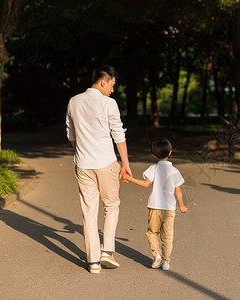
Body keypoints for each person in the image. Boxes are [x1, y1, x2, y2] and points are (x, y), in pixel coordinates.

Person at [65, 65, 132, 274]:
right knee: (111, 206)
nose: (112, 90)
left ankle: (93, 262)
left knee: (89, 212)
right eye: (112, 85)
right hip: (106, 163)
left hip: (83, 165)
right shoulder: (109, 103)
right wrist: (126, 164)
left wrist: (81, 153)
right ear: (104, 81)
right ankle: (108, 251)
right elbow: (118, 134)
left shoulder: (73, 101)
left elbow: (70, 134)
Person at [123, 137, 187, 271]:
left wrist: (129, 178)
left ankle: (156, 254)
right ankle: (166, 262)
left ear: (153, 155)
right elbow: (178, 191)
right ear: (170, 152)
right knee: (168, 236)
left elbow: (146, 184)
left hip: (155, 206)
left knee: (152, 232)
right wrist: (181, 205)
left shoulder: (153, 168)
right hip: (169, 208)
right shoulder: (175, 171)